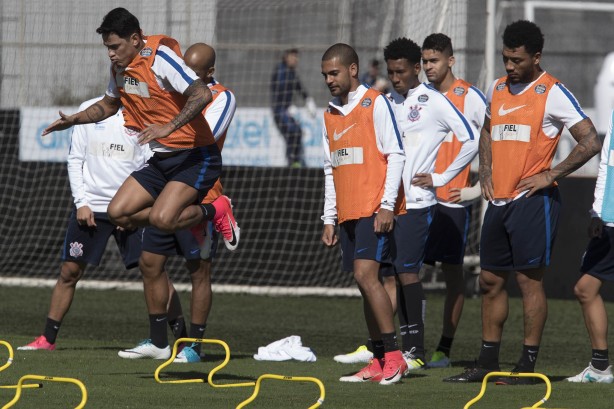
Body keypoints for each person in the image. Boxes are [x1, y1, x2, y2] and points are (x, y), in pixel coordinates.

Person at [445, 20, 601, 384]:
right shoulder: (498, 87)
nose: (510, 66)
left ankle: (527, 367)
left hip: (533, 201)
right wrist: (484, 168)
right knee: (488, 281)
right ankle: (486, 362)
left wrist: (551, 174)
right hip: (497, 201)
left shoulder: (552, 91)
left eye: (516, 60)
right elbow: (486, 128)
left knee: (529, 284)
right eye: (506, 59)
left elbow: (590, 141)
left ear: (536, 57)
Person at [42, 7, 239, 251]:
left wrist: (169, 127)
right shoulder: (119, 69)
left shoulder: (160, 58)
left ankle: (217, 208)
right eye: (107, 48)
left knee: (162, 221)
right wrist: (75, 119)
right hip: (162, 159)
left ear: (135, 39)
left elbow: (201, 93)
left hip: (195, 157)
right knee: (118, 213)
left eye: (115, 47)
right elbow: (108, 105)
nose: (111, 54)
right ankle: (169, 211)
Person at [118, 43, 236, 361]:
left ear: (209, 73)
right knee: (150, 263)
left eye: (195, 72)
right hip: (164, 185)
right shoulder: (173, 88)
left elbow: (202, 135)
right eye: (184, 68)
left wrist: (168, 122)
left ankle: (194, 347)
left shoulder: (222, 96)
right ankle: (160, 341)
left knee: (198, 272)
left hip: (199, 188)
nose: (187, 75)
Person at [18, 98, 151, 351]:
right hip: (92, 208)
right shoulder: (88, 109)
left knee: (154, 271)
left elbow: (149, 162)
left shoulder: (144, 109)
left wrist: (136, 207)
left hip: (131, 208)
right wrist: (81, 202)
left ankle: (181, 342)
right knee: (69, 272)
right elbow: (75, 158)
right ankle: (47, 339)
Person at [384, 37, 478, 373]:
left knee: (418, 272)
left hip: (429, 201)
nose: (396, 77)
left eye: (401, 71)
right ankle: (390, 346)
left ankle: (422, 348)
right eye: (391, 71)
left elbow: (475, 137)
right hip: (388, 203)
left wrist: (445, 178)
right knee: (394, 273)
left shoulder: (438, 100)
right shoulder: (387, 101)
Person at [320, 43, 408, 385]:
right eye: (325, 74)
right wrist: (329, 218)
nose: (329, 79)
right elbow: (330, 168)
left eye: (334, 72)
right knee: (363, 284)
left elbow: (396, 155)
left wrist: (387, 205)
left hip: (374, 209)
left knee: (366, 276)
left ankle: (395, 357)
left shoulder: (376, 102)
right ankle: (378, 358)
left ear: (353, 70)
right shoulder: (328, 114)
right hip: (348, 214)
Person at [420, 33, 487, 368]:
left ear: (450, 60)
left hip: (451, 202)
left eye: (434, 61)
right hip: (418, 200)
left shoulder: (471, 97)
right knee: (399, 270)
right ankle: (403, 344)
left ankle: (443, 349)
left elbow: (494, 141)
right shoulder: (421, 97)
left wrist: (479, 188)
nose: (428, 67)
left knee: (452, 274)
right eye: (425, 61)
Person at [565, 111, 614, 384]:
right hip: (609, 222)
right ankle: (599, 369)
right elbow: (607, 163)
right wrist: (597, 211)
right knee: (585, 289)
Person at [271, 48, 316, 168]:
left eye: (297, 57)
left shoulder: (291, 72)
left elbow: (299, 86)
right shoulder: (281, 71)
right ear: (286, 57)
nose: (296, 59)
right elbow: (281, 88)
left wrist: (308, 99)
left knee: (295, 133)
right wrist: (288, 105)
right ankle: (293, 163)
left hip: (284, 109)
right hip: (280, 110)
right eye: (293, 57)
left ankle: (293, 162)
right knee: (294, 132)